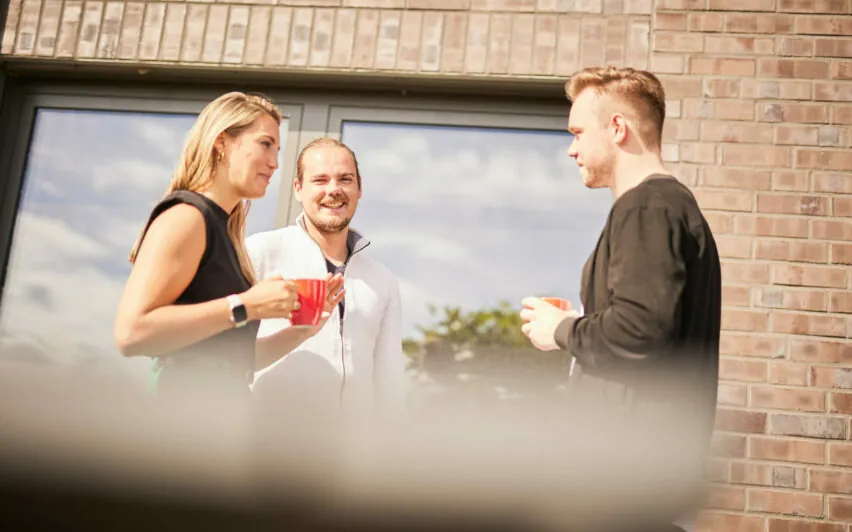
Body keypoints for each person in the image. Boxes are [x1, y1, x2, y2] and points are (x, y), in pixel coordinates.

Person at [519, 67, 722, 531]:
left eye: (577, 132)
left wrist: (561, 331)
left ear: (617, 128)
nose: (571, 148)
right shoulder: (672, 208)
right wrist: (585, 323)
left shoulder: (645, 207)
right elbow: (646, 324)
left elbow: (640, 330)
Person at [113, 92, 343, 404]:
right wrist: (246, 304)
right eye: (265, 144)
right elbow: (131, 334)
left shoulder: (225, 233)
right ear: (222, 143)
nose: (275, 163)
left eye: (278, 150)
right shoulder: (187, 217)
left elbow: (234, 362)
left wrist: (302, 330)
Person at [246, 138, 406, 418]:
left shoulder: (383, 281)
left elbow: (389, 384)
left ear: (359, 189)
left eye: (345, 179)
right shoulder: (259, 253)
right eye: (320, 180)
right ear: (298, 189)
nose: (333, 190)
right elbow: (226, 356)